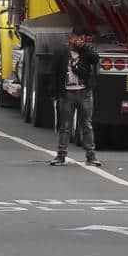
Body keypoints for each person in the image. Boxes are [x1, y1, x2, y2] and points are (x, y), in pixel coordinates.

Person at [50, 26, 101, 167]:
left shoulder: (86, 53)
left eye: (82, 39)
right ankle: (61, 155)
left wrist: (84, 48)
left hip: (84, 93)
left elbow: (95, 59)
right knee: (65, 126)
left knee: (86, 125)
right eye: (76, 38)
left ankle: (91, 156)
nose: (78, 41)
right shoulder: (61, 53)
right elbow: (54, 73)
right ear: (70, 38)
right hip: (67, 93)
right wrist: (54, 93)